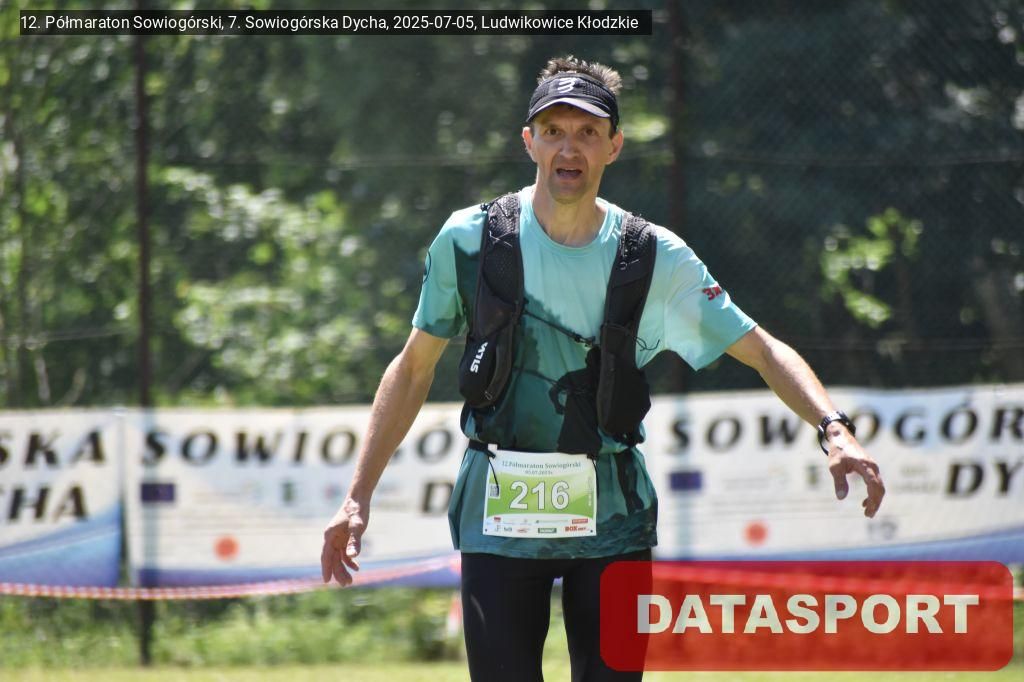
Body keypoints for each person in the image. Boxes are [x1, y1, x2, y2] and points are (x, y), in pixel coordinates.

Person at [321, 55, 886, 682]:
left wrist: (833, 428)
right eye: (554, 130)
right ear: (529, 141)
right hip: (498, 516)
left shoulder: (655, 255)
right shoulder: (471, 240)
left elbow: (762, 349)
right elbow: (412, 370)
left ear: (614, 146)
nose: (570, 148)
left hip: (614, 518)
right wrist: (356, 497)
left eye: (588, 132)